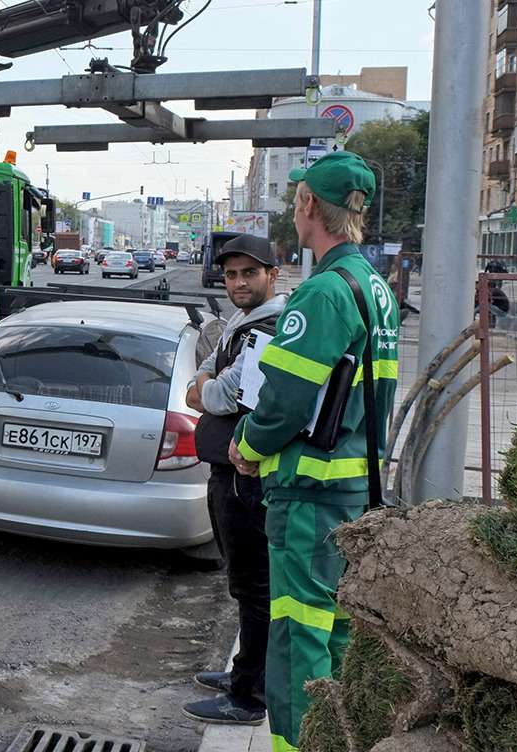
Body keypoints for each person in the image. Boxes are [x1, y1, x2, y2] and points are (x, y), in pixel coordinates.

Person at [228, 151, 400, 752]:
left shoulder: (323, 292)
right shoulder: (375, 287)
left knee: (298, 641)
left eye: (295, 197)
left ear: (307, 206)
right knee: (337, 636)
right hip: (354, 491)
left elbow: (285, 404)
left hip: (310, 496)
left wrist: (246, 445)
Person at [182, 234, 286, 727]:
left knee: (255, 584)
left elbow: (225, 394)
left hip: (250, 476)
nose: (239, 282)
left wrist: (206, 389)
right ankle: (244, 671)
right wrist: (207, 387)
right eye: (231, 274)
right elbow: (203, 380)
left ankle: (250, 696)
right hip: (226, 471)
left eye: (250, 273)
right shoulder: (241, 323)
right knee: (242, 582)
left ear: (273, 274)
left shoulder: (274, 326)